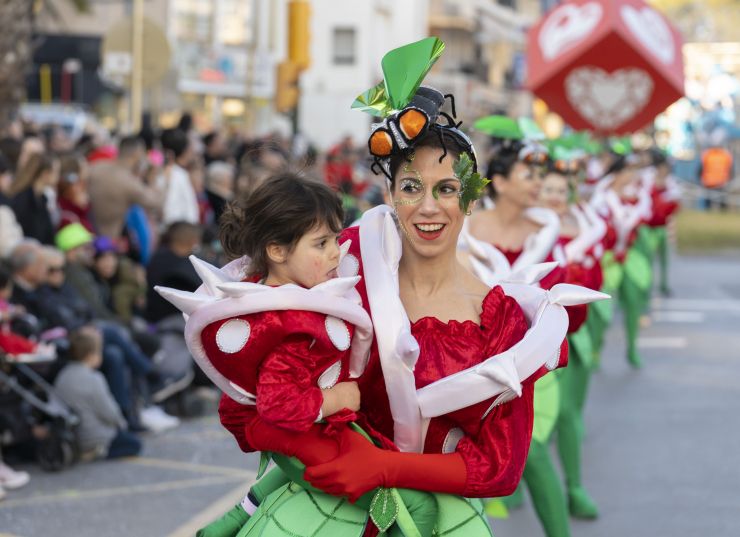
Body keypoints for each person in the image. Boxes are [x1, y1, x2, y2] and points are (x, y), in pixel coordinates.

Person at [175, 38, 604, 537]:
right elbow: (243, 400)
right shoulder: (339, 271)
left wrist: (383, 468)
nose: (427, 207)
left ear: (469, 200)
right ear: (389, 193)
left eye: (446, 189)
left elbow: (499, 468)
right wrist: (305, 446)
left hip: (437, 522)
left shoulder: (501, 320)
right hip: (321, 510)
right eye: (410, 187)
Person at [54, 326, 143, 460]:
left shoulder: (62, 375)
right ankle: (99, 452)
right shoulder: (94, 378)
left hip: (73, 435)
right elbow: (108, 411)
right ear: (91, 356)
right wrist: (122, 423)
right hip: (96, 436)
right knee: (134, 444)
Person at [87, 136, 164, 239]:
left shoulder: (95, 167)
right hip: (110, 240)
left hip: (89, 235)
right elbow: (156, 203)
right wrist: (153, 177)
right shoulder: (129, 183)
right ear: (137, 154)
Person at [8, 153, 60, 245]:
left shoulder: (42, 199)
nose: (58, 176)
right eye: (56, 172)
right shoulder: (22, 200)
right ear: (45, 174)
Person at [158, 128, 200, 226]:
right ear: (185, 151)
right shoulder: (179, 175)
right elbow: (190, 214)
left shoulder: (158, 172)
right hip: (178, 232)